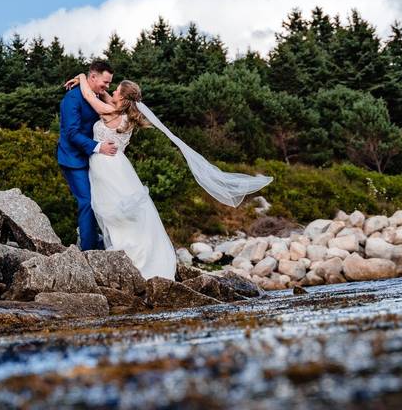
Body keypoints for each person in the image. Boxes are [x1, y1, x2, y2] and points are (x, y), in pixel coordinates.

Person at [65, 72, 273, 280]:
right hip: (119, 166)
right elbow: (104, 96)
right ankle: (124, 250)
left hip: (107, 166)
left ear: (122, 96)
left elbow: (90, 97)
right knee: (123, 210)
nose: (113, 90)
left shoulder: (111, 112)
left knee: (112, 209)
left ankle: (126, 253)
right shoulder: (125, 113)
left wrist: (83, 77)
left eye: (117, 89)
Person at [57, 60, 118, 251]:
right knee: (87, 202)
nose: (107, 87)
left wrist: (81, 77)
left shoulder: (96, 97)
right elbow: (71, 133)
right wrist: (99, 147)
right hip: (73, 159)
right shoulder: (72, 99)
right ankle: (88, 251)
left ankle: (101, 241)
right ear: (93, 77)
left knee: (103, 200)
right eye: (105, 82)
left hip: (94, 159)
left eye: (109, 83)